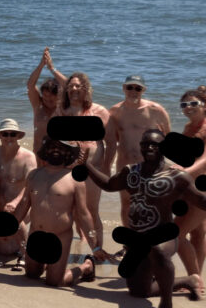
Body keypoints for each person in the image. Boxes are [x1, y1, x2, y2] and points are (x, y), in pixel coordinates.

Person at [84, 129, 203, 308]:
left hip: (164, 236)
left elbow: (201, 200)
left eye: (155, 145)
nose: (149, 148)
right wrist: (86, 165)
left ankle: (166, 302)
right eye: (145, 144)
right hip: (137, 239)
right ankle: (187, 281)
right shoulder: (131, 172)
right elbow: (108, 185)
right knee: (139, 292)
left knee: (158, 250)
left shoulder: (177, 176)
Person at [13, 138, 98, 288]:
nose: (56, 150)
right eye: (52, 146)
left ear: (68, 153)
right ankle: (50, 265)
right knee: (31, 275)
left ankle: (86, 266)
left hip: (60, 238)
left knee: (54, 282)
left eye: (61, 147)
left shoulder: (75, 180)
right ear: (45, 150)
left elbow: (83, 215)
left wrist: (95, 246)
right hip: (36, 234)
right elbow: (24, 204)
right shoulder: (34, 175)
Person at [55, 72, 110, 255]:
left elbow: (111, 143)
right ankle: (63, 252)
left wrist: (107, 166)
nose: (74, 89)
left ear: (86, 89)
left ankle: (98, 251)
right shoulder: (61, 112)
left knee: (92, 210)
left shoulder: (99, 112)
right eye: (70, 87)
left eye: (78, 86)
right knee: (67, 209)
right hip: (67, 170)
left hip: (92, 170)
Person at [105, 75, 171, 227]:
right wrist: (106, 166)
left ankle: (151, 244)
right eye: (130, 87)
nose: (133, 91)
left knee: (152, 204)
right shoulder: (115, 111)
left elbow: (168, 139)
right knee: (127, 204)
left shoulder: (155, 110)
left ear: (143, 90)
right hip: (125, 166)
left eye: (137, 88)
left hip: (150, 167)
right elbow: (111, 142)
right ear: (123, 88)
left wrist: (169, 167)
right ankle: (128, 244)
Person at [0, 119, 37, 268]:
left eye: (12, 134)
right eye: (5, 134)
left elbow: (30, 185)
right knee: (2, 251)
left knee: (15, 218)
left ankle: (24, 253)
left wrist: (15, 202)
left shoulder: (28, 157)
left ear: (18, 136)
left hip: (22, 205)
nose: (9, 137)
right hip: (0, 206)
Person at [174, 87, 206, 293]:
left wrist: (185, 171)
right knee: (198, 233)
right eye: (184, 105)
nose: (188, 108)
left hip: (201, 191)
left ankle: (194, 280)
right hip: (189, 187)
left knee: (175, 234)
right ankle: (198, 279)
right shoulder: (188, 127)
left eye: (193, 103)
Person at [27, 47, 66, 158]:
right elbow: (30, 85)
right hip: (39, 155)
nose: (48, 101)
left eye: (51, 99)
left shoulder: (63, 107)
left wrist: (52, 68)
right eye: (45, 98)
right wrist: (41, 65)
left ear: (59, 96)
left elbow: (69, 86)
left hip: (60, 156)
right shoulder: (38, 105)